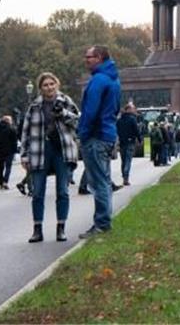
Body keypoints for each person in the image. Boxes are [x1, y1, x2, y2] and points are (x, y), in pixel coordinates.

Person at [20, 73, 80, 242]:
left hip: (61, 150)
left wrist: (63, 113)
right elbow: (25, 131)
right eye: (45, 85)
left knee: (62, 191)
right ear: (41, 88)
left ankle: (61, 228)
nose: (49, 87)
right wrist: (24, 156)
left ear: (57, 84)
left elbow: (78, 121)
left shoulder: (66, 101)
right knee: (37, 192)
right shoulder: (34, 106)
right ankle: (37, 229)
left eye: (52, 84)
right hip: (40, 150)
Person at [77, 45, 122, 238]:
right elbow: (116, 107)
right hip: (107, 134)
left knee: (98, 182)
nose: (86, 60)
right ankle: (103, 221)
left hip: (96, 136)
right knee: (103, 179)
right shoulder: (114, 79)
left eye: (90, 57)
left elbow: (90, 111)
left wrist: (83, 133)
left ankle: (102, 224)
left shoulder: (98, 80)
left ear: (100, 58)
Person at [0, 115, 19, 189]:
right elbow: (14, 141)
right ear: (9, 121)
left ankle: (1, 182)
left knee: (0, 167)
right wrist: (15, 150)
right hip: (9, 152)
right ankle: (5, 181)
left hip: (0, 151)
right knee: (8, 167)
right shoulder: (12, 129)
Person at [117, 103, 140, 186]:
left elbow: (117, 131)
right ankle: (126, 177)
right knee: (128, 160)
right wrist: (139, 139)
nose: (134, 110)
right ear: (128, 109)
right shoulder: (132, 119)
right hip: (130, 142)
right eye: (133, 108)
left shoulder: (119, 120)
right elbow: (136, 130)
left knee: (123, 161)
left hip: (122, 143)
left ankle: (124, 176)